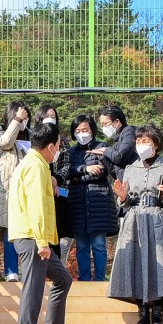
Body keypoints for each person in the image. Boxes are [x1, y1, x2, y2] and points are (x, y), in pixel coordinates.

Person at [108, 125, 163, 324]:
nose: (141, 145)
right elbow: (125, 202)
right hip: (135, 220)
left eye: (145, 141)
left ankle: (157, 309)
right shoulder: (130, 169)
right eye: (138, 141)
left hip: (158, 219)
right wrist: (122, 197)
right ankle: (141, 310)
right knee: (135, 263)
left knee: (161, 263)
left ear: (156, 144)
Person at [9, 123, 78, 324]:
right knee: (33, 291)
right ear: (50, 146)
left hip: (35, 237)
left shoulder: (34, 163)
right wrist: (42, 242)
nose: (58, 150)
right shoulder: (36, 166)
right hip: (32, 238)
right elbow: (36, 206)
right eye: (58, 146)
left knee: (63, 279)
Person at [57, 114, 117, 281]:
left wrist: (78, 175)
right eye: (77, 131)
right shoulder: (71, 152)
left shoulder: (101, 147)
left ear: (92, 130)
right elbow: (67, 172)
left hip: (99, 203)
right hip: (77, 203)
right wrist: (86, 169)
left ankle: (100, 278)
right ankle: (84, 278)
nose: (81, 133)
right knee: (81, 246)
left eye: (85, 130)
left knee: (99, 245)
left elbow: (104, 171)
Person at [0, 100, 30, 281]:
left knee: (28, 232)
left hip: (27, 189)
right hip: (7, 188)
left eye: (26, 117)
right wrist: (17, 121)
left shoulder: (32, 135)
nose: (24, 120)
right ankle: (11, 271)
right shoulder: (2, 131)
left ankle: (27, 271)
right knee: (9, 230)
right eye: (21, 117)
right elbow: (5, 142)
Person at [33, 104, 74, 262]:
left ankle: (58, 268)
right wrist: (47, 179)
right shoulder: (34, 139)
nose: (50, 119)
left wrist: (55, 179)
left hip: (59, 193)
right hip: (40, 190)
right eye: (46, 116)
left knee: (59, 233)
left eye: (53, 116)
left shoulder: (62, 141)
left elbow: (66, 165)